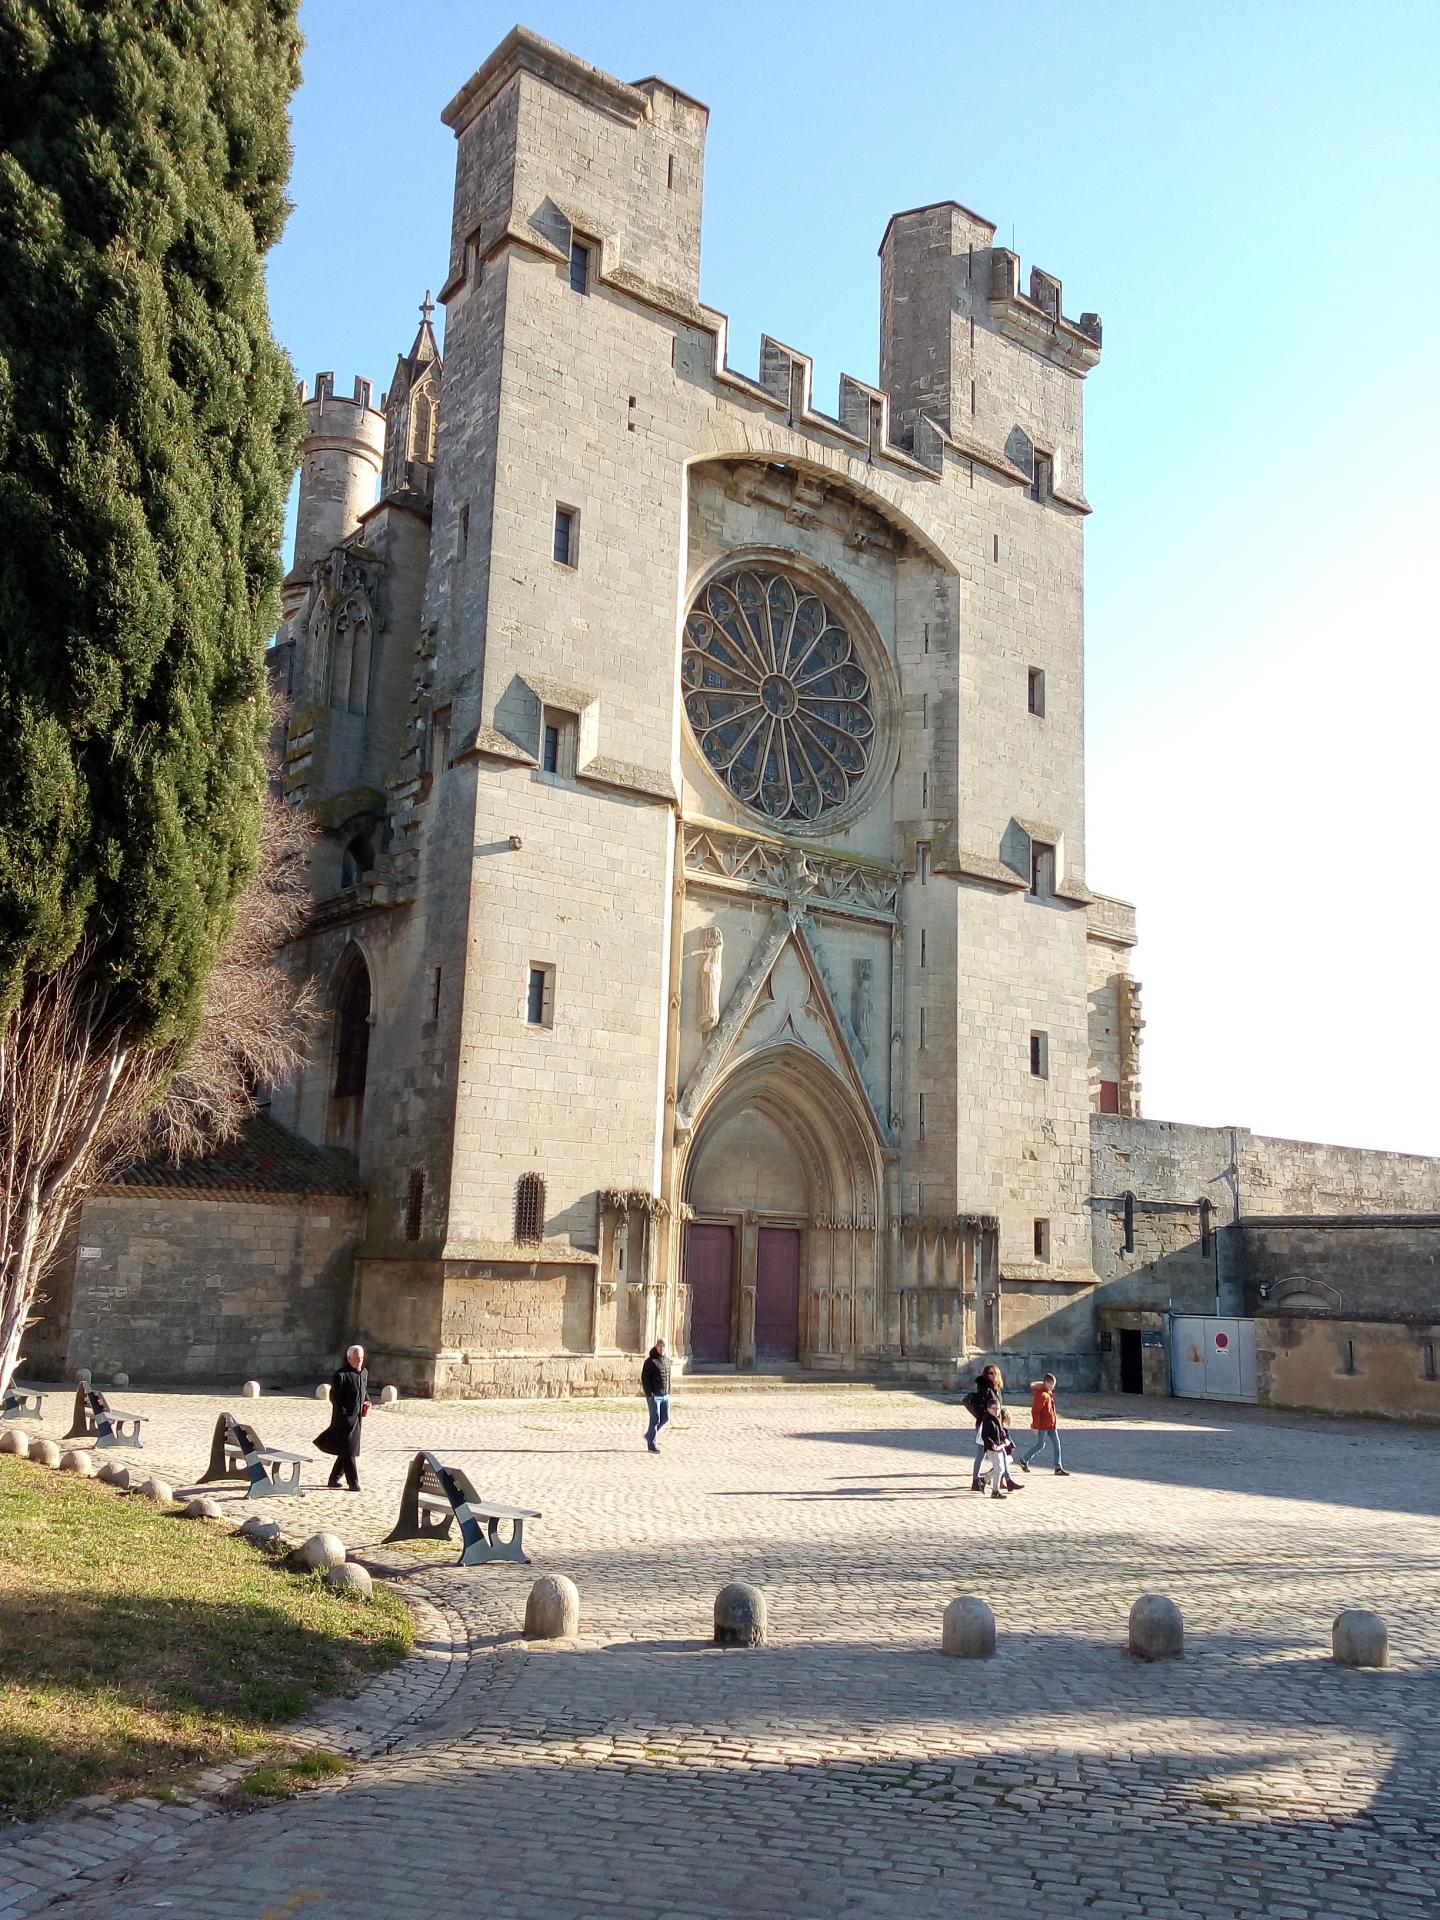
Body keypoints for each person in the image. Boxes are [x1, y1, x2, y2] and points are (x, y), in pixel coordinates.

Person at [315, 1343, 369, 1491]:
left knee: (347, 1449)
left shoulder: (363, 1373)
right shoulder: (341, 1375)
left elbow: (363, 1390)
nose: (359, 1362)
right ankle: (353, 1483)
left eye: (361, 1358)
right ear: (349, 1358)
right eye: (356, 1359)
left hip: (357, 1419)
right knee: (349, 1450)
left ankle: (333, 1479)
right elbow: (335, 1397)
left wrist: (367, 1401)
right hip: (343, 1419)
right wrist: (344, 1414)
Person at [1018, 1372, 1071, 1476]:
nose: (1052, 1386)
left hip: (1051, 1425)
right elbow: (1035, 1411)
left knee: (1057, 1444)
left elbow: (1051, 1410)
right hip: (1042, 1425)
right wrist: (1035, 1426)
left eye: (1053, 1384)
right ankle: (1023, 1460)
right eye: (1051, 1384)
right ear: (1046, 1383)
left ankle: (1058, 1467)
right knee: (1040, 1445)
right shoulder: (1042, 1395)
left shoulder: (1048, 1392)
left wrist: (1054, 1422)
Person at [641, 1336, 671, 1453]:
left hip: (665, 1395)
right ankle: (651, 1445)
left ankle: (649, 1435)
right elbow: (645, 1378)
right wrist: (650, 1394)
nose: (662, 1348)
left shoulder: (667, 1361)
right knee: (655, 1419)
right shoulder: (650, 1361)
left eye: (663, 1346)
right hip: (654, 1396)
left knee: (665, 1418)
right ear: (656, 1346)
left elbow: (668, 1377)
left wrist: (669, 1392)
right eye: (660, 1346)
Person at [977, 1396, 1010, 1499]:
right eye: (994, 1408)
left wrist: (1005, 1439)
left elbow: (1001, 1431)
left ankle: (984, 1479)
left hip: (999, 1446)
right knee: (999, 1469)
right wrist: (992, 1445)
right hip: (991, 1449)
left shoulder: (997, 1419)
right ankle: (995, 1491)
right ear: (988, 1409)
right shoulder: (987, 1421)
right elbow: (985, 1436)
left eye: (998, 1408)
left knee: (1000, 1468)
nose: (997, 1410)